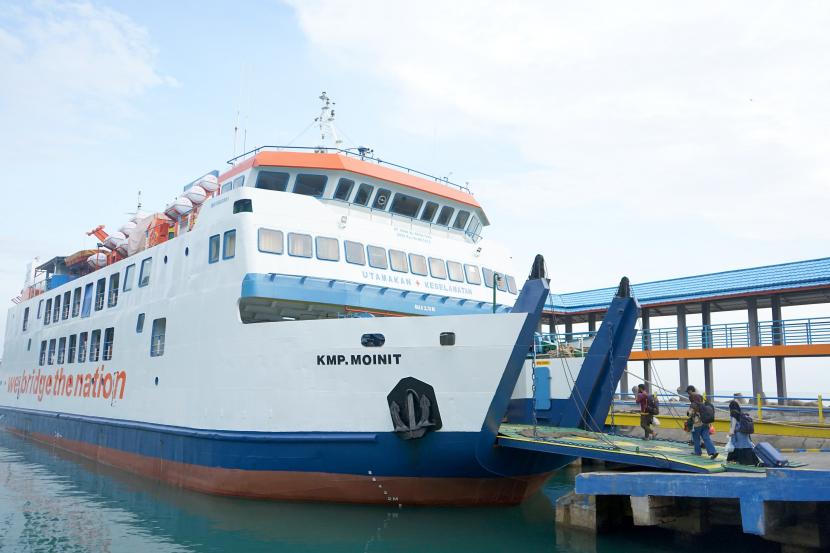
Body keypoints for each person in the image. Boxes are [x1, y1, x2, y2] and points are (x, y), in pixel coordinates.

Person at [686, 385, 718, 459]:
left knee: (696, 438)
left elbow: (690, 414)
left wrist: (688, 412)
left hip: (697, 424)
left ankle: (697, 452)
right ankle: (713, 452)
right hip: (706, 423)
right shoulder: (703, 404)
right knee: (706, 438)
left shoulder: (693, 404)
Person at [727, 400, 759, 465]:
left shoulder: (733, 413)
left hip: (738, 433)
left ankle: (737, 460)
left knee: (738, 446)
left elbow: (733, 425)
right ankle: (752, 461)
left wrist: (730, 433)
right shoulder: (740, 413)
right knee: (746, 446)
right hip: (744, 432)